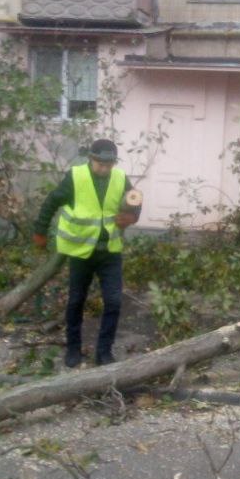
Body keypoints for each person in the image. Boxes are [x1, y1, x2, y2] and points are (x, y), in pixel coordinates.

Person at [32, 139, 139, 369]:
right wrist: (40, 231)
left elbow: (134, 201)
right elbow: (52, 202)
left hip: (109, 252)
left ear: (114, 163)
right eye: (100, 163)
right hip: (81, 253)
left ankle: (104, 352)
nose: (104, 168)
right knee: (76, 301)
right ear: (91, 159)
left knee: (114, 301)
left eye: (108, 164)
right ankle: (73, 349)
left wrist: (132, 217)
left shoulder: (120, 178)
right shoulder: (76, 177)